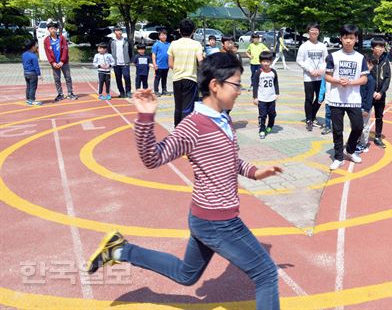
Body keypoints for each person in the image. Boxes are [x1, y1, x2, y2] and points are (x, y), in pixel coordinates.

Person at [85, 52, 283, 310]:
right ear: (215, 85)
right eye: (236, 85)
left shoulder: (223, 118)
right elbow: (152, 158)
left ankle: (120, 250)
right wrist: (146, 118)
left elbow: (228, 159)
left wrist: (255, 172)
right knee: (266, 273)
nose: (239, 91)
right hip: (217, 221)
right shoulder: (193, 125)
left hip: (207, 218)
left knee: (185, 275)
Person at [325, 24, 369, 170]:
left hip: (353, 99)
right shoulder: (333, 56)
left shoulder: (360, 57)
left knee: (358, 126)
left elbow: (364, 79)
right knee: (337, 130)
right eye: (345, 38)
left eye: (351, 38)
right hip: (336, 99)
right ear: (341, 39)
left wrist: (350, 82)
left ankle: (349, 151)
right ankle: (338, 157)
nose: (348, 41)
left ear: (356, 39)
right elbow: (327, 76)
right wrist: (338, 81)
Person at [168, 18, 204, 126]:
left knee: (178, 106)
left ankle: (177, 129)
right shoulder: (196, 44)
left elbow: (170, 64)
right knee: (188, 107)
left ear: (179, 30)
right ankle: (185, 131)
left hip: (177, 79)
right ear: (193, 31)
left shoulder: (173, 44)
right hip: (190, 79)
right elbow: (201, 61)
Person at [296, 23, 328, 131]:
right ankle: (309, 119)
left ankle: (312, 115)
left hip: (320, 77)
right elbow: (299, 60)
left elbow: (326, 60)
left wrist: (321, 70)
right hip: (309, 77)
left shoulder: (322, 46)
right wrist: (310, 70)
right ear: (308, 32)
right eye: (312, 30)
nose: (314, 32)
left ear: (319, 32)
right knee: (309, 98)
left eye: (316, 30)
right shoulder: (304, 46)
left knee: (321, 97)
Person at [43, 21, 78, 101]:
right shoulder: (46, 40)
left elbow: (65, 50)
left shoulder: (62, 38)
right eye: (51, 28)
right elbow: (47, 53)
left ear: (57, 29)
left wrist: (62, 61)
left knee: (68, 77)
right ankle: (60, 94)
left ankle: (70, 93)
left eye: (54, 28)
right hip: (54, 63)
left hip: (64, 62)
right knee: (57, 78)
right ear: (48, 30)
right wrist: (52, 62)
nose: (53, 30)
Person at [252, 51, 280, 139]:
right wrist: (255, 97)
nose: (266, 63)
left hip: (271, 98)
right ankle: (262, 129)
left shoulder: (273, 72)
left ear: (271, 62)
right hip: (262, 98)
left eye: (268, 61)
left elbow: (276, 83)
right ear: (260, 62)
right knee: (262, 115)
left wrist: (277, 93)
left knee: (272, 114)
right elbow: (255, 85)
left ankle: (270, 126)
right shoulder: (258, 73)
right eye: (264, 61)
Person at [370, 37, 391, 148]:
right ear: (372, 47)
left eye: (381, 46)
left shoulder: (386, 61)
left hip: (381, 95)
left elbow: (387, 78)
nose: (379, 49)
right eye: (377, 46)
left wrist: (381, 92)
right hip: (369, 94)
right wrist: (372, 91)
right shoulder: (367, 59)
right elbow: (365, 76)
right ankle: (361, 137)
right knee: (364, 116)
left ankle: (377, 137)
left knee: (379, 116)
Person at [355, 55, 376, 154]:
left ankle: (363, 143)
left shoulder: (371, 80)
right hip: (356, 105)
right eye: (366, 63)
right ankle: (358, 140)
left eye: (370, 65)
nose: (368, 66)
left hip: (364, 107)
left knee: (364, 126)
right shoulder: (359, 76)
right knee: (356, 125)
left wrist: (367, 109)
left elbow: (369, 97)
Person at [110, 26, 132, 98]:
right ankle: (121, 92)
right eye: (117, 31)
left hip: (125, 63)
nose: (119, 32)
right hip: (116, 63)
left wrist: (129, 60)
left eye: (120, 30)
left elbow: (130, 51)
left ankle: (128, 92)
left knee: (127, 77)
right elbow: (109, 52)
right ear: (114, 32)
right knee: (118, 78)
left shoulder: (126, 41)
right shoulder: (112, 41)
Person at [22, 39, 43, 106]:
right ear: (33, 47)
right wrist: (39, 74)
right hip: (32, 73)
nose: (37, 47)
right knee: (33, 87)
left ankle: (28, 99)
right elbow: (36, 66)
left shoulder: (24, 54)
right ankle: (32, 100)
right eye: (36, 46)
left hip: (26, 72)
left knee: (28, 86)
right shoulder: (34, 56)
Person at [152, 29, 171, 97]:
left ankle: (164, 90)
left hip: (166, 65)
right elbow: (154, 54)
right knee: (157, 78)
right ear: (159, 36)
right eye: (162, 35)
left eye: (165, 35)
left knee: (164, 78)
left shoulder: (169, 44)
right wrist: (154, 63)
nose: (163, 36)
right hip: (159, 65)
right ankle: (156, 91)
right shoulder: (156, 44)